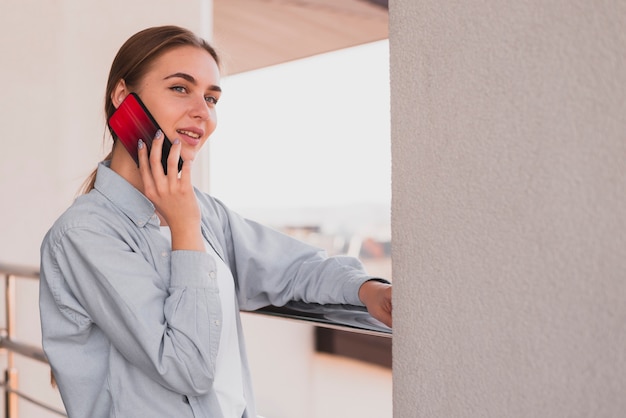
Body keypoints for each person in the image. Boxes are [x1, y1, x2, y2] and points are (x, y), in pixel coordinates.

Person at [39, 25, 392, 418]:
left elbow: (293, 268)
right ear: (123, 98)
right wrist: (184, 228)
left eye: (211, 98)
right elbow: (187, 367)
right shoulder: (85, 233)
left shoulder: (206, 212)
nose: (202, 112)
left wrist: (368, 291)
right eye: (179, 88)